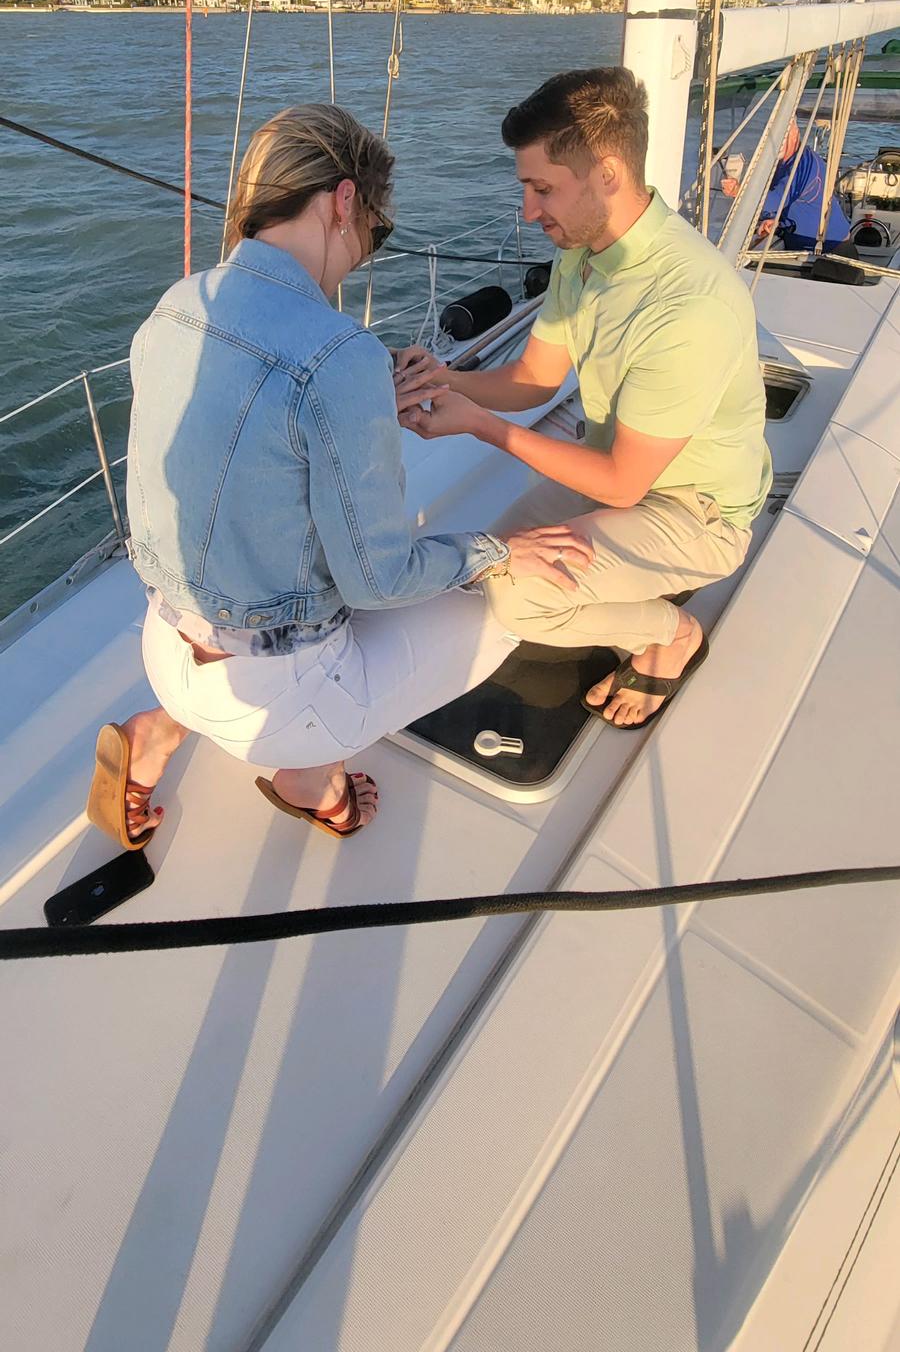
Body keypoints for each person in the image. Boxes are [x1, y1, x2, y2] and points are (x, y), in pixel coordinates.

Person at [87, 104, 591, 848]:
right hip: (282, 701)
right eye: (375, 235)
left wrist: (356, 410)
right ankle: (308, 778)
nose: (364, 254)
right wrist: (501, 551)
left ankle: (161, 729)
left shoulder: (176, 305)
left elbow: (236, 458)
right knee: (512, 603)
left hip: (164, 649)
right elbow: (377, 580)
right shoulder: (338, 353)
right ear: (345, 201)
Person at [395, 67, 772, 731]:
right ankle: (636, 598)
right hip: (615, 471)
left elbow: (625, 484)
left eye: (542, 189)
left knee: (518, 593)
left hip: (697, 512)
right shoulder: (586, 253)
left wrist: (479, 425)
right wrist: (445, 378)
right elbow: (536, 380)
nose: (529, 212)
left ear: (605, 172)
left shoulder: (688, 305)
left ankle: (667, 632)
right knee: (495, 555)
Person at [721, 117, 850, 251]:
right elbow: (777, 201)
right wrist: (776, 220)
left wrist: (738, 191)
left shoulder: (804, 164)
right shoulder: (781, 163)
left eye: (782, 134)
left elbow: (775, 201)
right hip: (799, 247)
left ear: (795, 134)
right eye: (772, 135)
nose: (777, 141)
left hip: (830, 248)